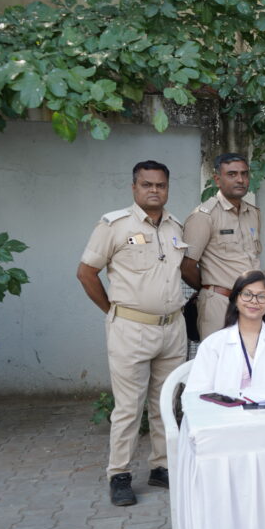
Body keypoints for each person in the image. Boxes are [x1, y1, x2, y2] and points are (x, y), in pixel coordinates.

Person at [76, 160, 188, 507]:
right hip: (131, 329)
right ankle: (119, 474)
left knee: (165, 403)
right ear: (134, 188)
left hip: (172, 327)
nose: (154, 190)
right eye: (147, 185)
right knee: (128, 407)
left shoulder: (175, 226)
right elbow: (86, 272)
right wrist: (112, 312)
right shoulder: (114, 225)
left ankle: (162, 467)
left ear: (167, 188)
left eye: (161, 185)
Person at [185, 270, 265, 394]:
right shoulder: (213, 344)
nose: (254, 301)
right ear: (235, 299)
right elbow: (195, 395)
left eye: (261, 296)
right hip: (225, 412)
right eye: (247, 294)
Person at [181, 153, 262, 340]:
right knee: (219, 362)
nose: (240, 179)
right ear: (218, 179)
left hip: (252, 303)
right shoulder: (204, 215)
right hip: (219, 303)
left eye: (244, 174)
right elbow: (186, 267)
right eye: (232, 174)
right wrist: (210, 289)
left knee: (249, 362)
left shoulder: (253, 214)